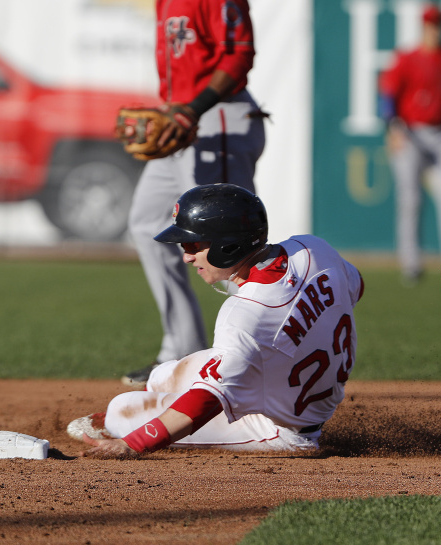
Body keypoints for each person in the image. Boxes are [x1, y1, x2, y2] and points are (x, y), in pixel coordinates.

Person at [69, 184, 364, 455]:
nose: (186, 256)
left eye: (193, 245)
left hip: (282, 431)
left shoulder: (244, 313)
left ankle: (123, 421)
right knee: (163, 376)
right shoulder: (313, 248)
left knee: (122, 411)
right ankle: (153, 404)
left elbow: (205, 401)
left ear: (229, 246)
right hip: (291, 386)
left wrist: (131, 444)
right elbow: (356, 287)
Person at [122, 0, 267, 386]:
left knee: (230, 240)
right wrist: (176, 111)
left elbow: (239, 57)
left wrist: (193, 108)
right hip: (179, 121)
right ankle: (182, 353)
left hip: (218, 116)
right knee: (147, 225)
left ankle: (258, 353)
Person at [378, 3, 441, 285]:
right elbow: (387, 96)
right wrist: (392, 129)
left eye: (438, 24)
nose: (435, 29)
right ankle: (411, 263)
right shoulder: (407, 58)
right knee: (410, 199)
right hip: (410, 132)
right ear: (423, 27)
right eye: (431, 24)